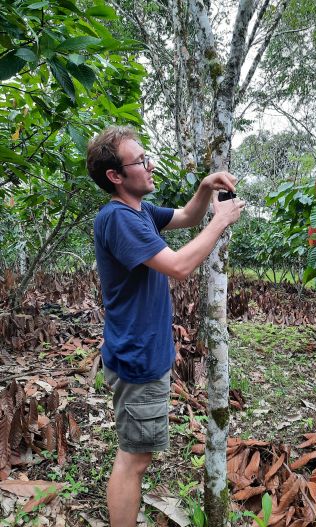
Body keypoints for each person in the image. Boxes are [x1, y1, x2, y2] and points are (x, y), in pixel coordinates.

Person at [87, 125, 244, 527]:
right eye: (140, 161)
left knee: (137, 455)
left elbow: (189, 217)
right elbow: (178, 266)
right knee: (133, 460)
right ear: (115, 176)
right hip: (136, 357)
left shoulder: (140, 213)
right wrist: (220, 221)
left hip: (144, 351)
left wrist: (207, 187)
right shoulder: (118, 218)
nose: (150, 164)